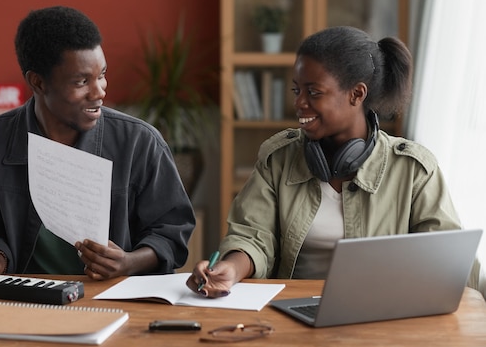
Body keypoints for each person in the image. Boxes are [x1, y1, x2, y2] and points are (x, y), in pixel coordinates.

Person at [187, 25, 482, 297]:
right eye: (297, 90)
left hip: (381, 316)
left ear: (357, 94)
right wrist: (232, 268)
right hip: (289, 314)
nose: (299, 102)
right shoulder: (278, 157)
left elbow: (449, 261)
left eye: (313, 92)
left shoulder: (414, 170)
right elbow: (252, 236)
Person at [0, 6, 195, 280]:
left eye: (101, 75)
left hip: (113, 300)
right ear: (38, 82)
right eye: (82, 81)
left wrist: (129, 262)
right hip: (26, 299)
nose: (100, 91)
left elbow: (172, 232)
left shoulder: (140, 142)